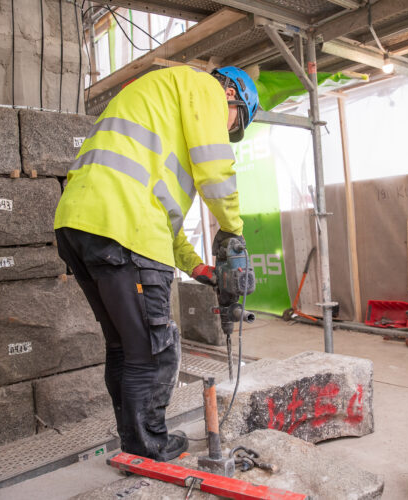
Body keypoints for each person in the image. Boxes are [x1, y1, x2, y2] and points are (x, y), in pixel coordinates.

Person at [54, 65, 259, 460]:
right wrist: (233, 231)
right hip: (123, 227)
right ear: (231, 93)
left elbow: (161, 215)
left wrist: (196, 266)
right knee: (154, 350)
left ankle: (134, 438)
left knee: (125, 347)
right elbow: (216, 171)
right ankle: (150, 445)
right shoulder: (203, 87)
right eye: (236, 121)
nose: (228, 128)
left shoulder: (159, 101)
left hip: (80, 225)